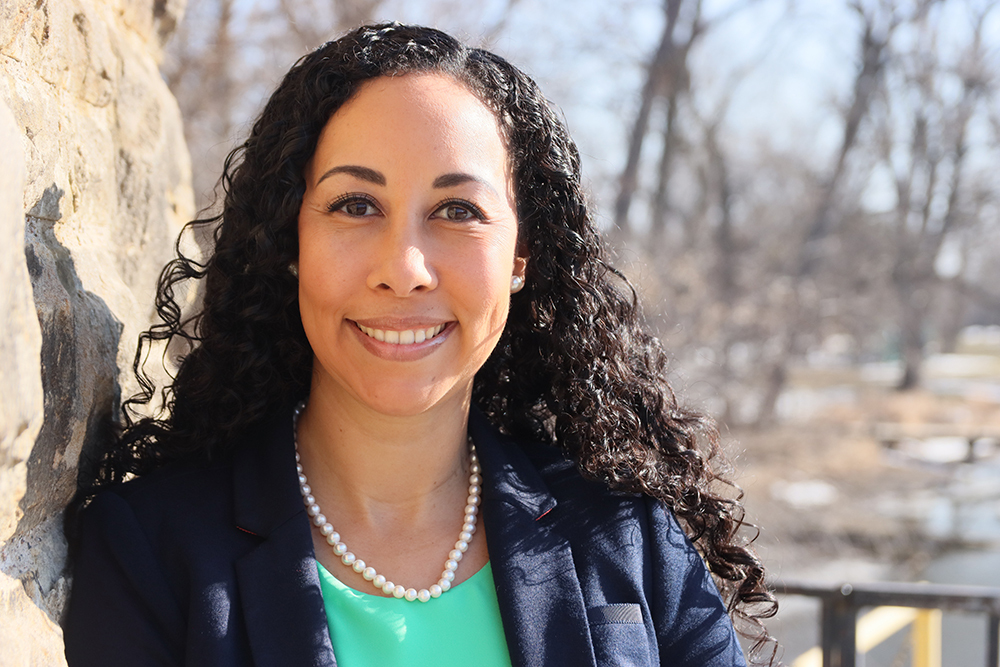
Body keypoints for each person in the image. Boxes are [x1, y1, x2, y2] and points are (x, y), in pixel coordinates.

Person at [64, 23, 776, 667]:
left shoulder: (630, 539)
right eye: (355, 205)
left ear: (521, 256)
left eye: (457, 210)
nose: (404, 268)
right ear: (292, 241)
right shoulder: (151, 551)